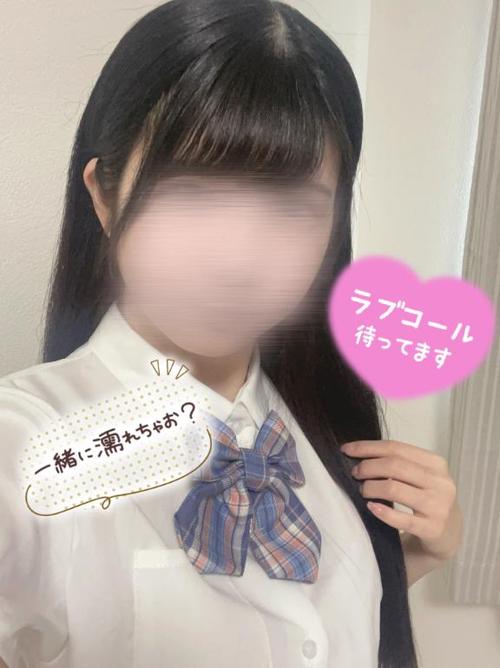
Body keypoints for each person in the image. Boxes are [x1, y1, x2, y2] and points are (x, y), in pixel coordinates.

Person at [0, 1, 463, 666]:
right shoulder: (24, 443)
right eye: (190, 193)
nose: (238, 260)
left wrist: (406, 558)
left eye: (293, 208)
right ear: (104, 194)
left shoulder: (323, 424)